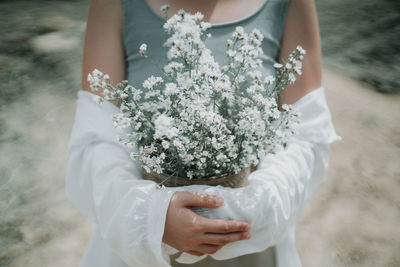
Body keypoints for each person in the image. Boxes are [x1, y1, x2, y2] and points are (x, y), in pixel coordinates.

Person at [65, 0, 341, 266]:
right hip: (145, 247)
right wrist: (153, 217)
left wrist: (243, 210)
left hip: (247, 243)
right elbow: (97, 139)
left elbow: (305, 135)